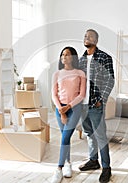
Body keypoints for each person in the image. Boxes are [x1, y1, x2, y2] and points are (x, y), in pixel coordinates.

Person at [78, 29, 115, 183]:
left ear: (96, 40)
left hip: (95, 105)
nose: (87, 38)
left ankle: (106, 168)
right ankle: (93, 161)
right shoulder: (80, 60)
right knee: (89, 133)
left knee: (100, 137)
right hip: (82, 105)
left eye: (91, 36)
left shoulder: (104, 57)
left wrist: (102, 99)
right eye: (85, 35)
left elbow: (110, 80)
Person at [51, 46, 86, 183]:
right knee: (65, 139)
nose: (64, 57)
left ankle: (58, 169)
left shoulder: (80, 73)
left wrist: (69, 107)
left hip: (74, 109)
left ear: (73, 57)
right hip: (60, 109)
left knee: (65, 138)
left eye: (67, 54)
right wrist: (61, 109)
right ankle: (68, 164)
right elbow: (54, 94)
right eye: (62, 55)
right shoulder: (57, 74)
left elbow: (81, 95)